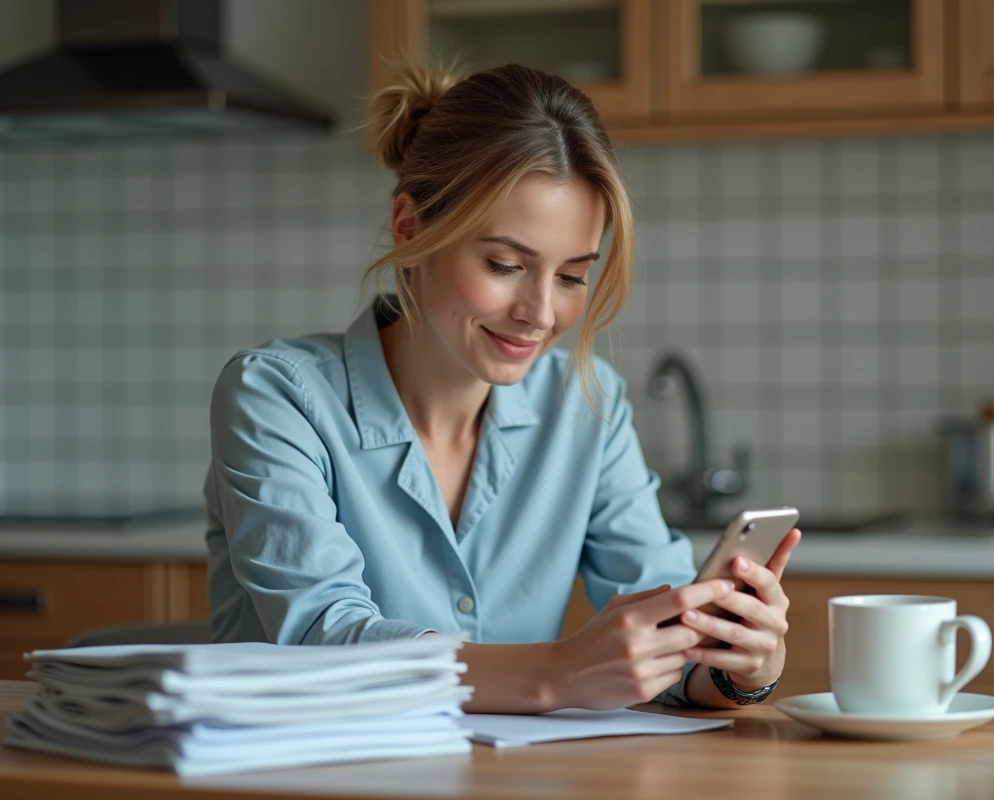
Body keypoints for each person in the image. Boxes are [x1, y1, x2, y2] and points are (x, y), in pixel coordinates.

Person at [202, 63, 800, 712]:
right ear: (409, 228)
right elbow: (324, 639)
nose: (540, 313)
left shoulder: (585, 403)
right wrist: (554, 673)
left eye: (572, 276)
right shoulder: (276, 397)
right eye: (505, 265)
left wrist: (739, 660)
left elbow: (669, 647)